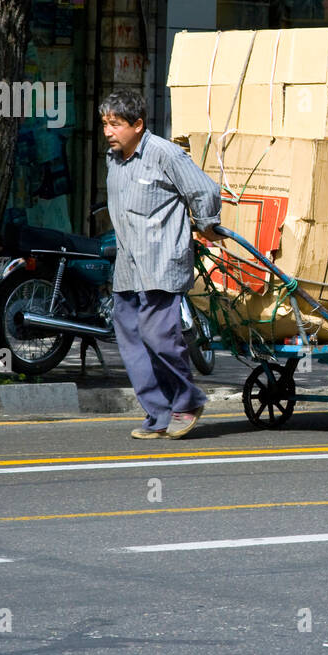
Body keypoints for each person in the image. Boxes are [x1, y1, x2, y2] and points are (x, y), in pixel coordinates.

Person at [102, 90, 222, 439]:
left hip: (161, 261)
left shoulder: (164, 153)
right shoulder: (114, 158)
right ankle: (158, 413)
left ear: (138, 124)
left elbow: (204, 189)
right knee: (131, 339)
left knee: (159, 335)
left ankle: (188, 400)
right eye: (105, 124)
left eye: (116, 124)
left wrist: (206, 224)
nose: (109, 131)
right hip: (128, 263)